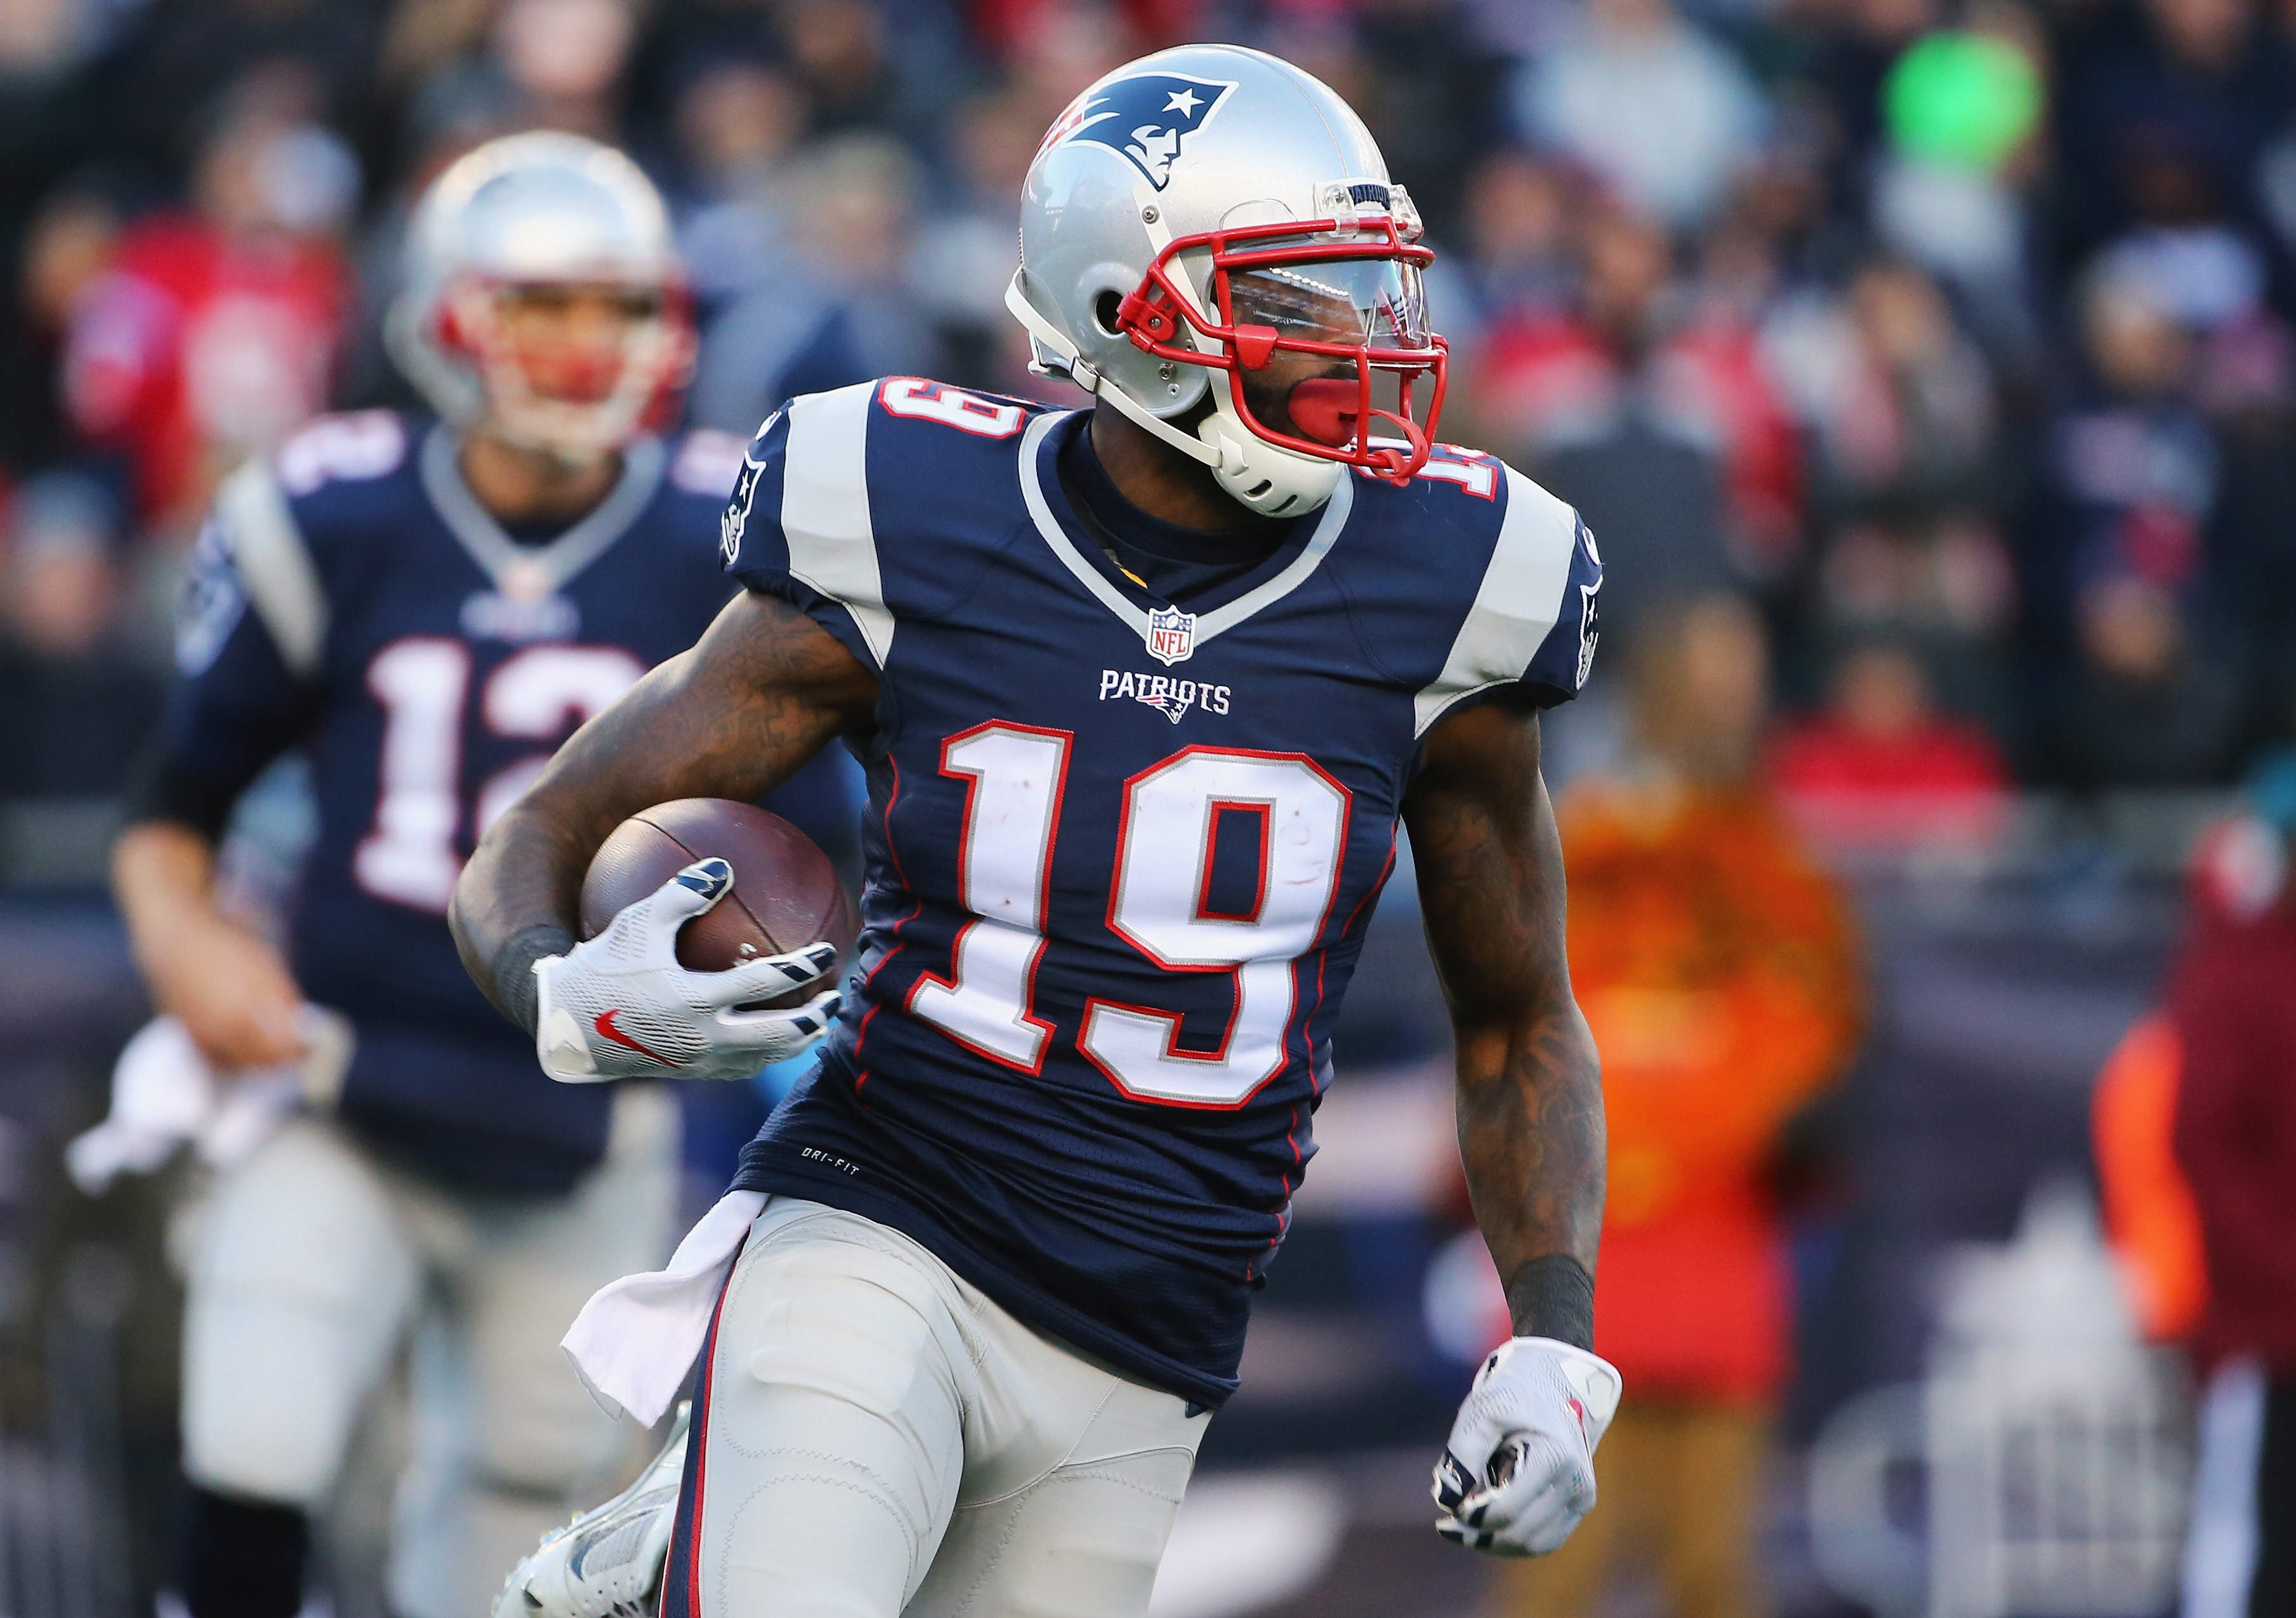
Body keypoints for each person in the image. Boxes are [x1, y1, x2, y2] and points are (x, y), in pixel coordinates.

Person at [452, 44, 1616, 1618]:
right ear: (1129, 311)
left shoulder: (1456, 584)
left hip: (1154, 1332)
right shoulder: (916, 515)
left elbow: (1518, 1018)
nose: (1362, 342)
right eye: (1293, 295)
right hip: (883, 1218)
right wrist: (562, 993)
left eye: (1368, 288)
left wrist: (1549, 1329)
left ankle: (677, 1541)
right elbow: (543, 826)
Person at [108, 133, 755, 1618]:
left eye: (619, 307)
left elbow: (841, 831)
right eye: (547, 304)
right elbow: (172, 804)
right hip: (336, 1081)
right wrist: (184, 944)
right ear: (448, 311)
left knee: (515, 1531)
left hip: (585, 1126)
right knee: (255, 1436)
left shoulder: (721, 540)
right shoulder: (335, 513)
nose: (588, 345)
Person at [1494, 593, 1863, 1618]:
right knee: (1549, 1577)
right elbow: (1515, 1012)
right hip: (1578, 1269)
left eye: (1742, 685)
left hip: (1716, 1252)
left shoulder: (1779, 871)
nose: (1726, 707)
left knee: (1712, 1574)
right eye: (1705, 683)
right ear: (1657, 691)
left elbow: (1816, 1037)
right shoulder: (1584, 845)